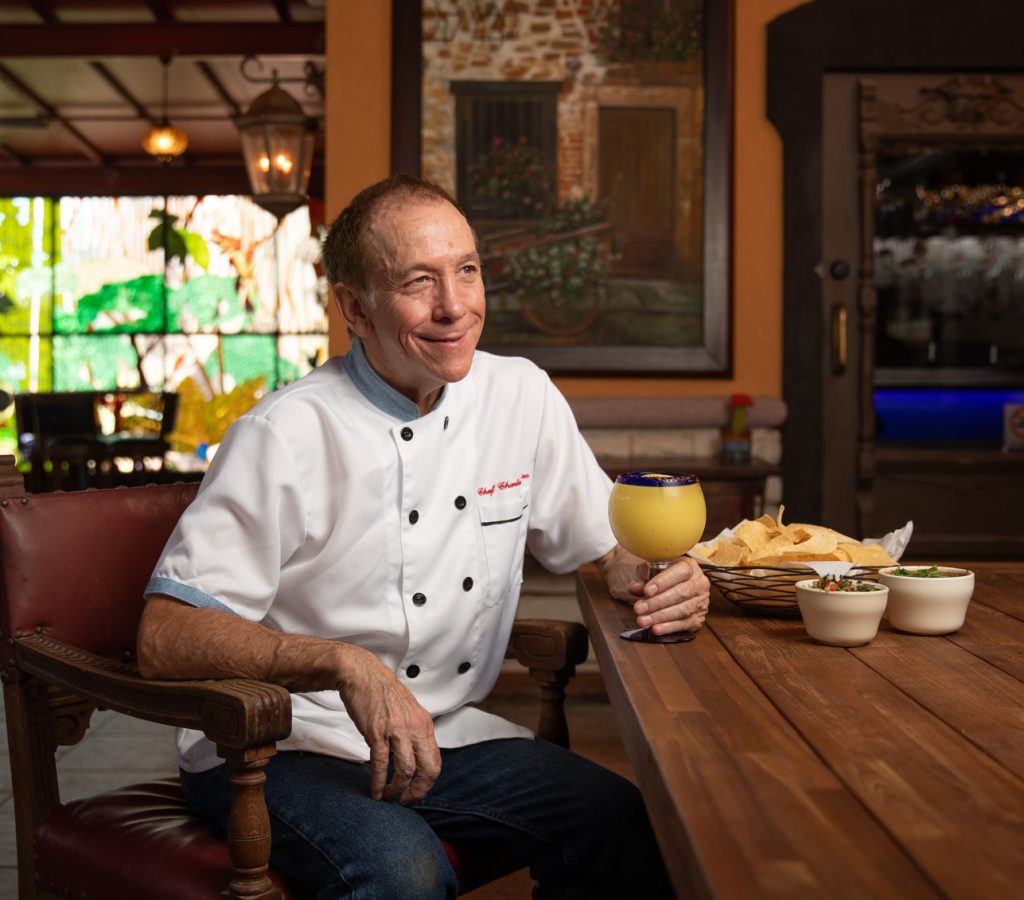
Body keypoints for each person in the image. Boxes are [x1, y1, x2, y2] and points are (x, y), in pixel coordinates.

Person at [137, 174, 709, 899]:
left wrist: (658, 575)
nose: (455, 307)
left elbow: (606, 545)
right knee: (402, 870)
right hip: (279, 747)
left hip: (445, 735)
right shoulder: (283, 435)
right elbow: (163, 634)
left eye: (466, 270)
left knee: (622, 820)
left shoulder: (521, 395)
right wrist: (344, 664)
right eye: (419, 282)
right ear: (355, 307)